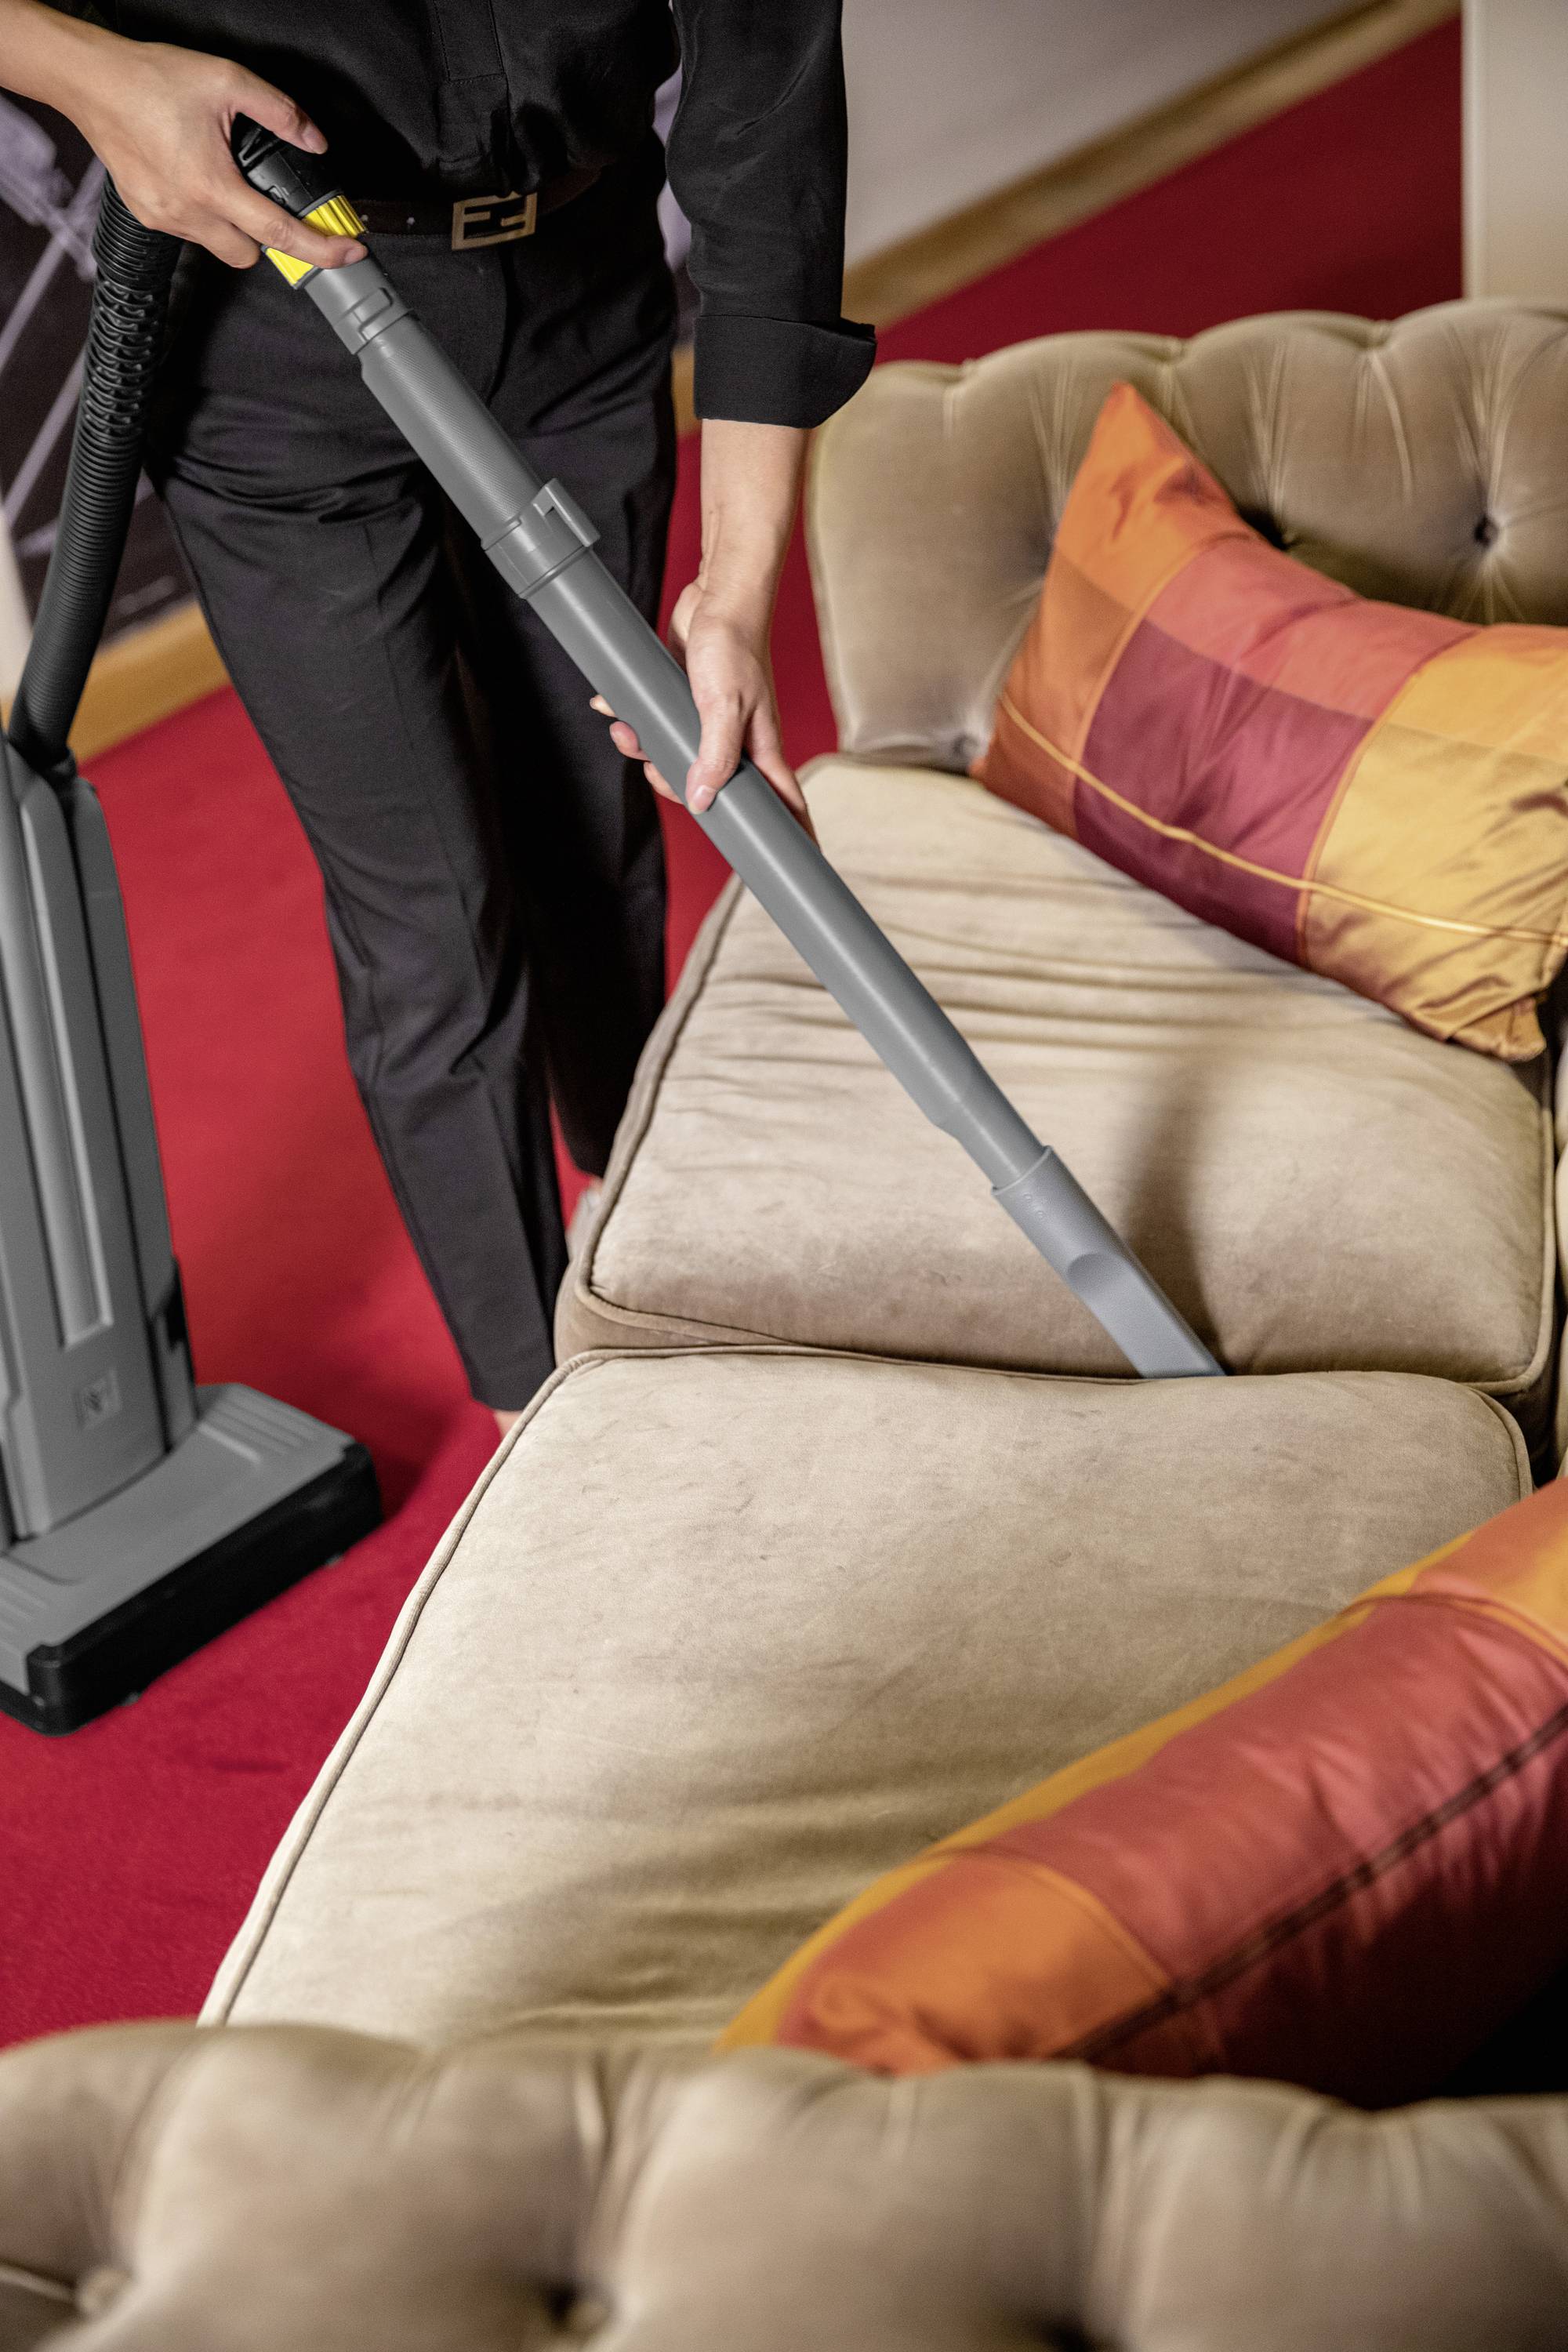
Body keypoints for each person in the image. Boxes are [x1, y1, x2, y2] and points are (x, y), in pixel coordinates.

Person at [0, 0, 874, 1436]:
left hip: (582, 288)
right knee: (433, 920)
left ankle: (641, 1229)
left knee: (595, 827)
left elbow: (765, 115)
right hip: (268, 327)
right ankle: (540, 1404)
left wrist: (740, 577)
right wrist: (96, 81)